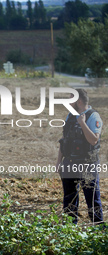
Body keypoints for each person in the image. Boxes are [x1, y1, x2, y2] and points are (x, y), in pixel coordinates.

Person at [56, 88, 103, 224]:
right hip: (69, 163)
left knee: (93, 200)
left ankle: (99, 231)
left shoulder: (93, 116)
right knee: (69, 200)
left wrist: (82, 123)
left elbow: (93, 140)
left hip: (87, 165)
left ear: (78, 100)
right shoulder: (70, 116)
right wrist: (59, 161)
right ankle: (69, 231)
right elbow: (64, 139)